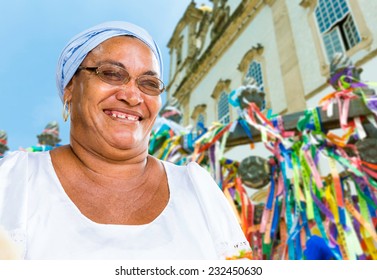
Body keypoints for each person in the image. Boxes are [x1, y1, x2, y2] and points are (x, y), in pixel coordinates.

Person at [0, 21, 250, 260]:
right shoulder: (16, 180)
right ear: (70, 87)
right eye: (111, 74)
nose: (132, 96)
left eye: (149, 83)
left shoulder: (197, 189)